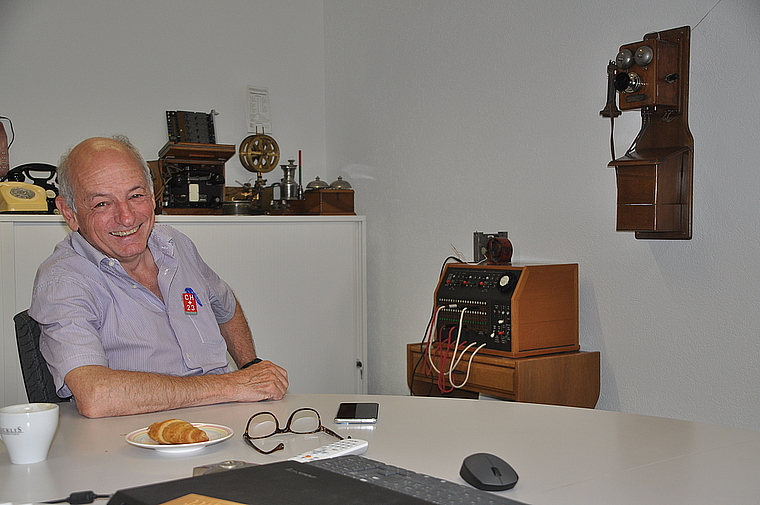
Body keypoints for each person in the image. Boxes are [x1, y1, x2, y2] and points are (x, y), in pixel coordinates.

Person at [29, 135, 288, 418]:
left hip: (224, 420)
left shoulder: (174, 244)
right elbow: (96, 396)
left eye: (136, 196)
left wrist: (249, 367)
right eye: (102, 203)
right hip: (135, 438)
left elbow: (225, 307)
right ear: (70, 212)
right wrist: (232, 385)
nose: (126, 217)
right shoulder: (62, 281)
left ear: (153, 198)